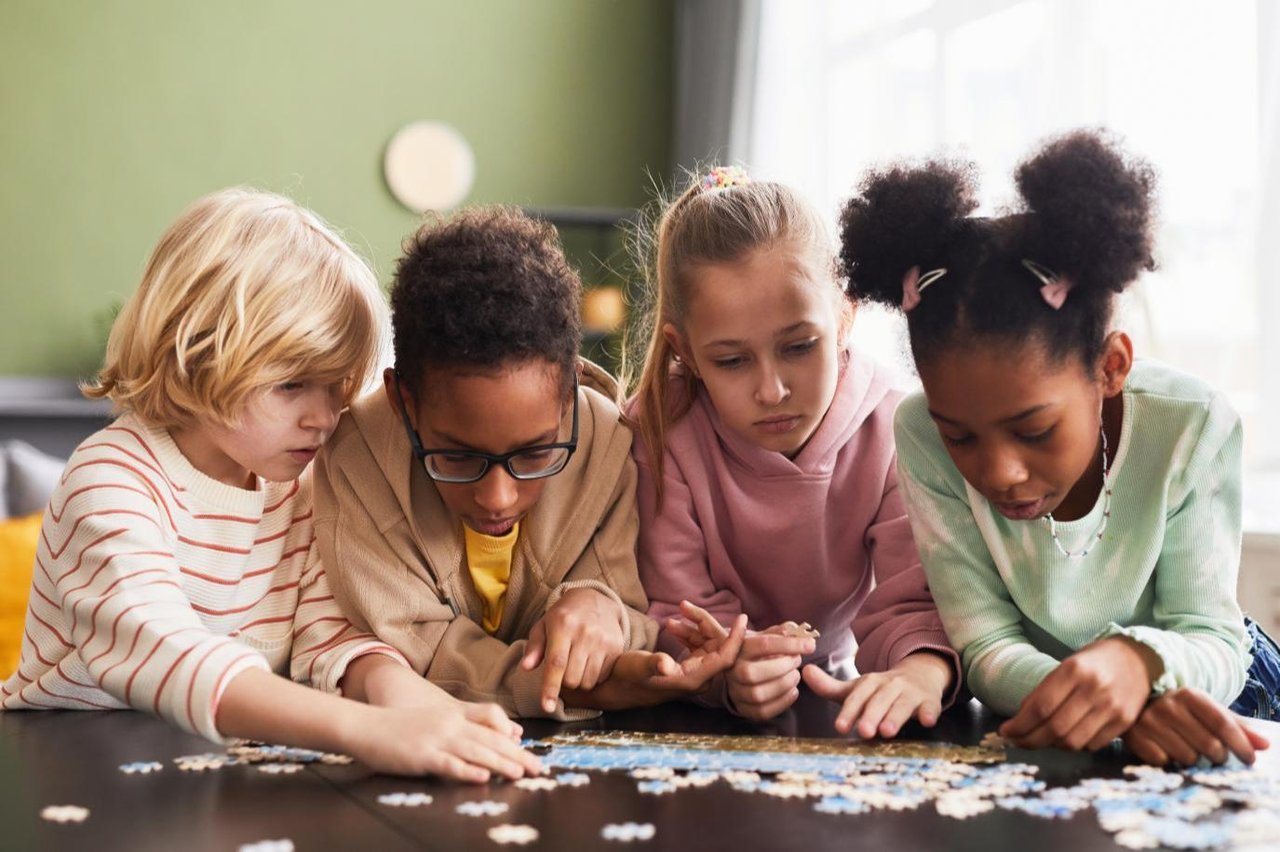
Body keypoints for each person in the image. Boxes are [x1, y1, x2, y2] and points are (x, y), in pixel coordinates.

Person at [0, 188, 542, 783]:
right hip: (68, 767)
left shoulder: (300, 484)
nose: (324, 416)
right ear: (195, 353)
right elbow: (165, 652)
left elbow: (326, 630)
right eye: (292, 386)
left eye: (337, 386)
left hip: (210, 771)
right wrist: (369, 730)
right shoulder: (111, 480)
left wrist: (404, 698)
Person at [839, 129, 1279, 765]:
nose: (1000, 471)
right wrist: (1114, 708)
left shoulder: (1193, 426)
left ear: (1111, 367)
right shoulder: (920, 431)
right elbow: (985, 645)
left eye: (1033, 430)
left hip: (1215, 699)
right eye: (960, 435)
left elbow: (1212, 637)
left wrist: (1138, 669)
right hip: (1067, 720)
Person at [313, 206, 744, 721]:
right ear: (405, 403)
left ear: (569, 394)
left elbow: (633, 609)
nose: (497, 497)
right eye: (456, 456)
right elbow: (416, 654)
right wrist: (580, 687)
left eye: (535, 453)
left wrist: (599, 609)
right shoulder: (354, 461)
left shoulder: (607, 443)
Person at [627, 166, 960, 738]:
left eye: (799, 346)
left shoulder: (896, 425)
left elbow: (915, 597)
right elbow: (674, 611)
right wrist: (728, 672)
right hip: (701, 712)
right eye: (731, 361)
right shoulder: (660, 431)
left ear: (845, 314)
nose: (772, 390)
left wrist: (921, 670)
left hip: (842, 696)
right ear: (683, 351)